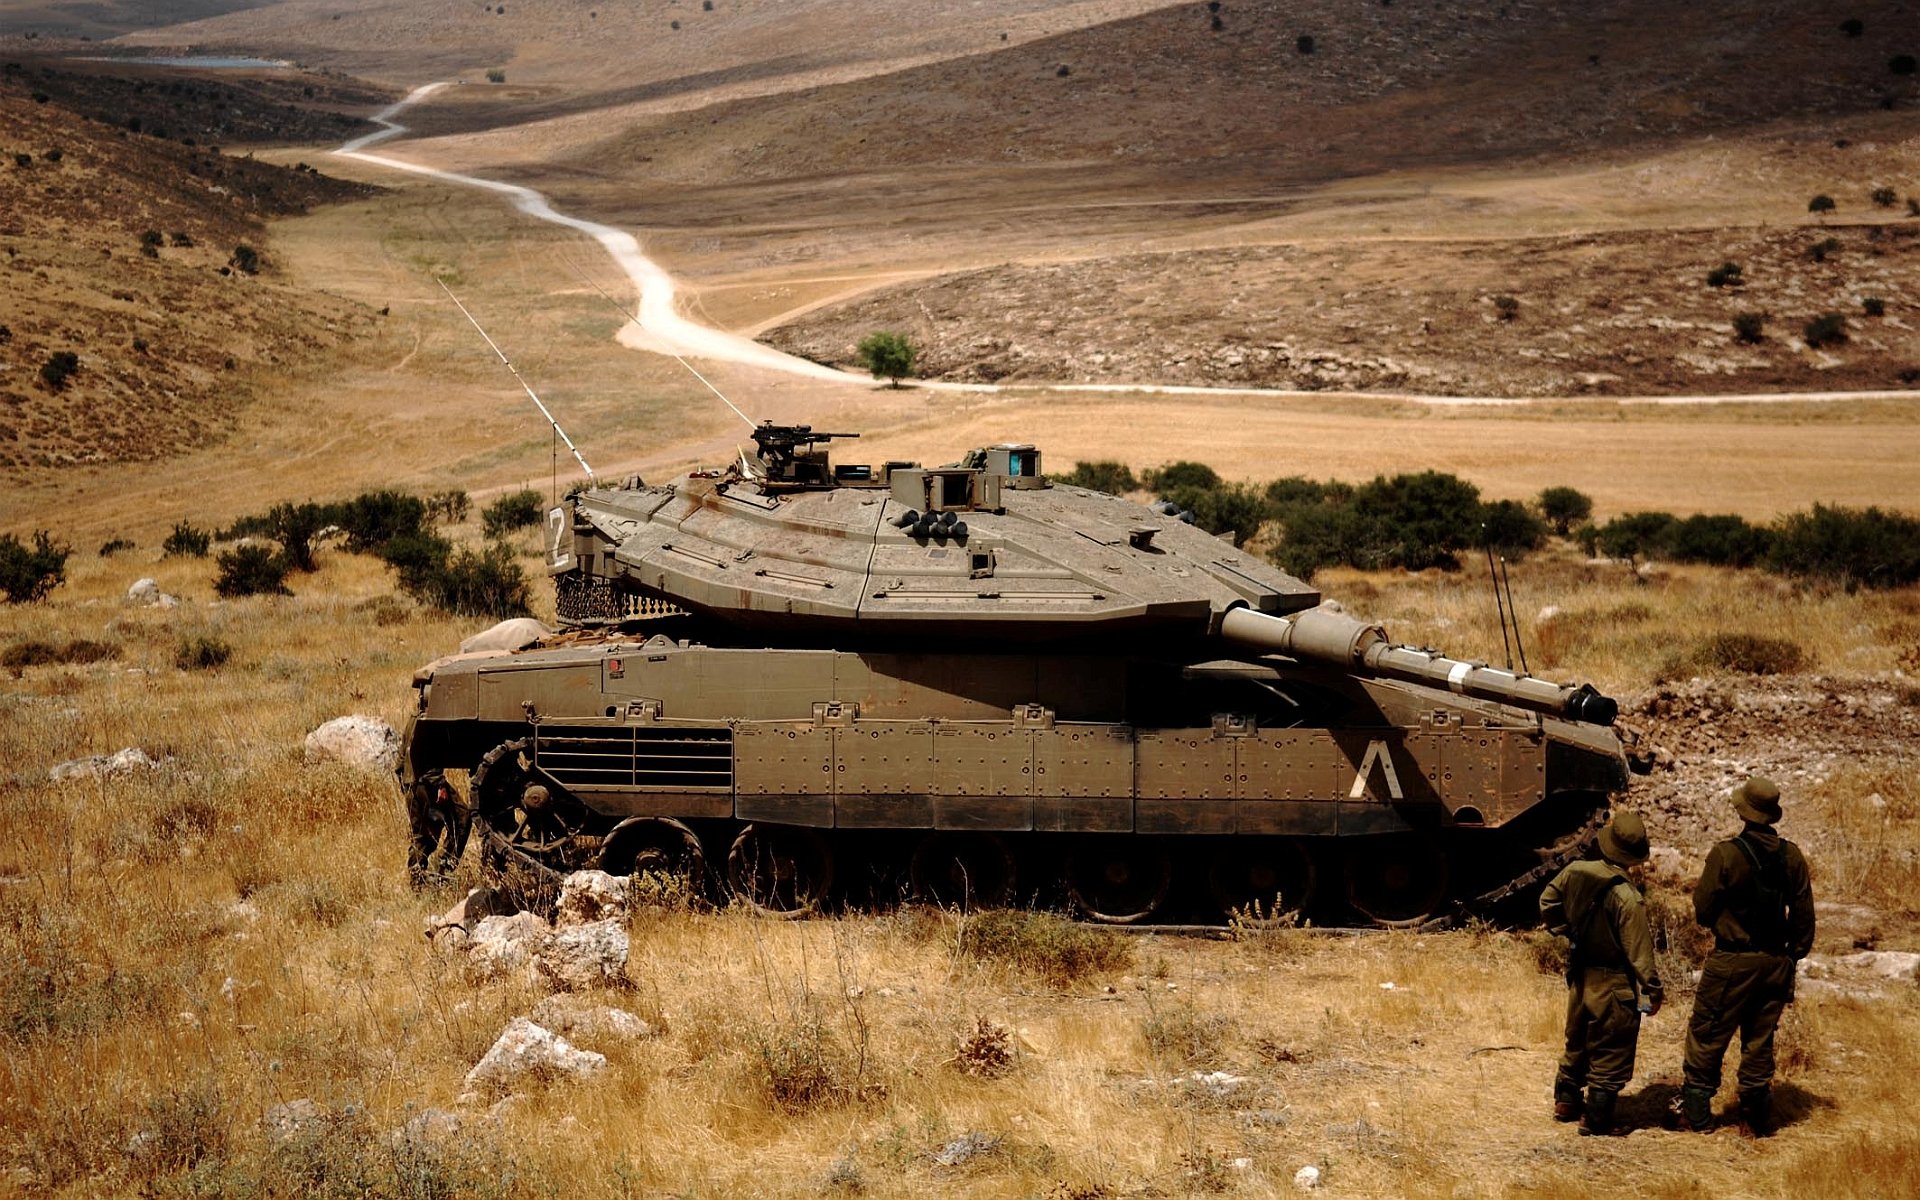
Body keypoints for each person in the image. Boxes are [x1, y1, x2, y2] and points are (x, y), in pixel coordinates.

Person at [1669, 776, 1815, 1137]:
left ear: (1743, 811)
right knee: (1759, 1040)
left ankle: (1698, 1115)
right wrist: (1791, 956)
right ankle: (1755, 1118)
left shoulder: (1725, 854)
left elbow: (1703, 910)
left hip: (1733, 961)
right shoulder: (1792, 856)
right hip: (1775, 963)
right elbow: (1803, 915)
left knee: (1707, 1034)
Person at [1539, 810, 1664, 1136]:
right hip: (1614, 984)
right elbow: (1640, 955)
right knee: (1611, 1046)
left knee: (1577, 1039)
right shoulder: (1628, 897)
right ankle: (1596, 1119)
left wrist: (1566, 930)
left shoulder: (1576, 871)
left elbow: (1547, 901)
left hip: (1581, 976)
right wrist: (1653, 990)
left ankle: (1566, 1101)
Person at [406, 769, 472, 887]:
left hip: (413, 783)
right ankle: (445, 867)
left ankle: (418, 882)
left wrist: (406, 785)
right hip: (430, 784)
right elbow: (427, 753)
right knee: (461, 818)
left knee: (423, 836)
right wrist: (440, 784)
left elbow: (399, 765)